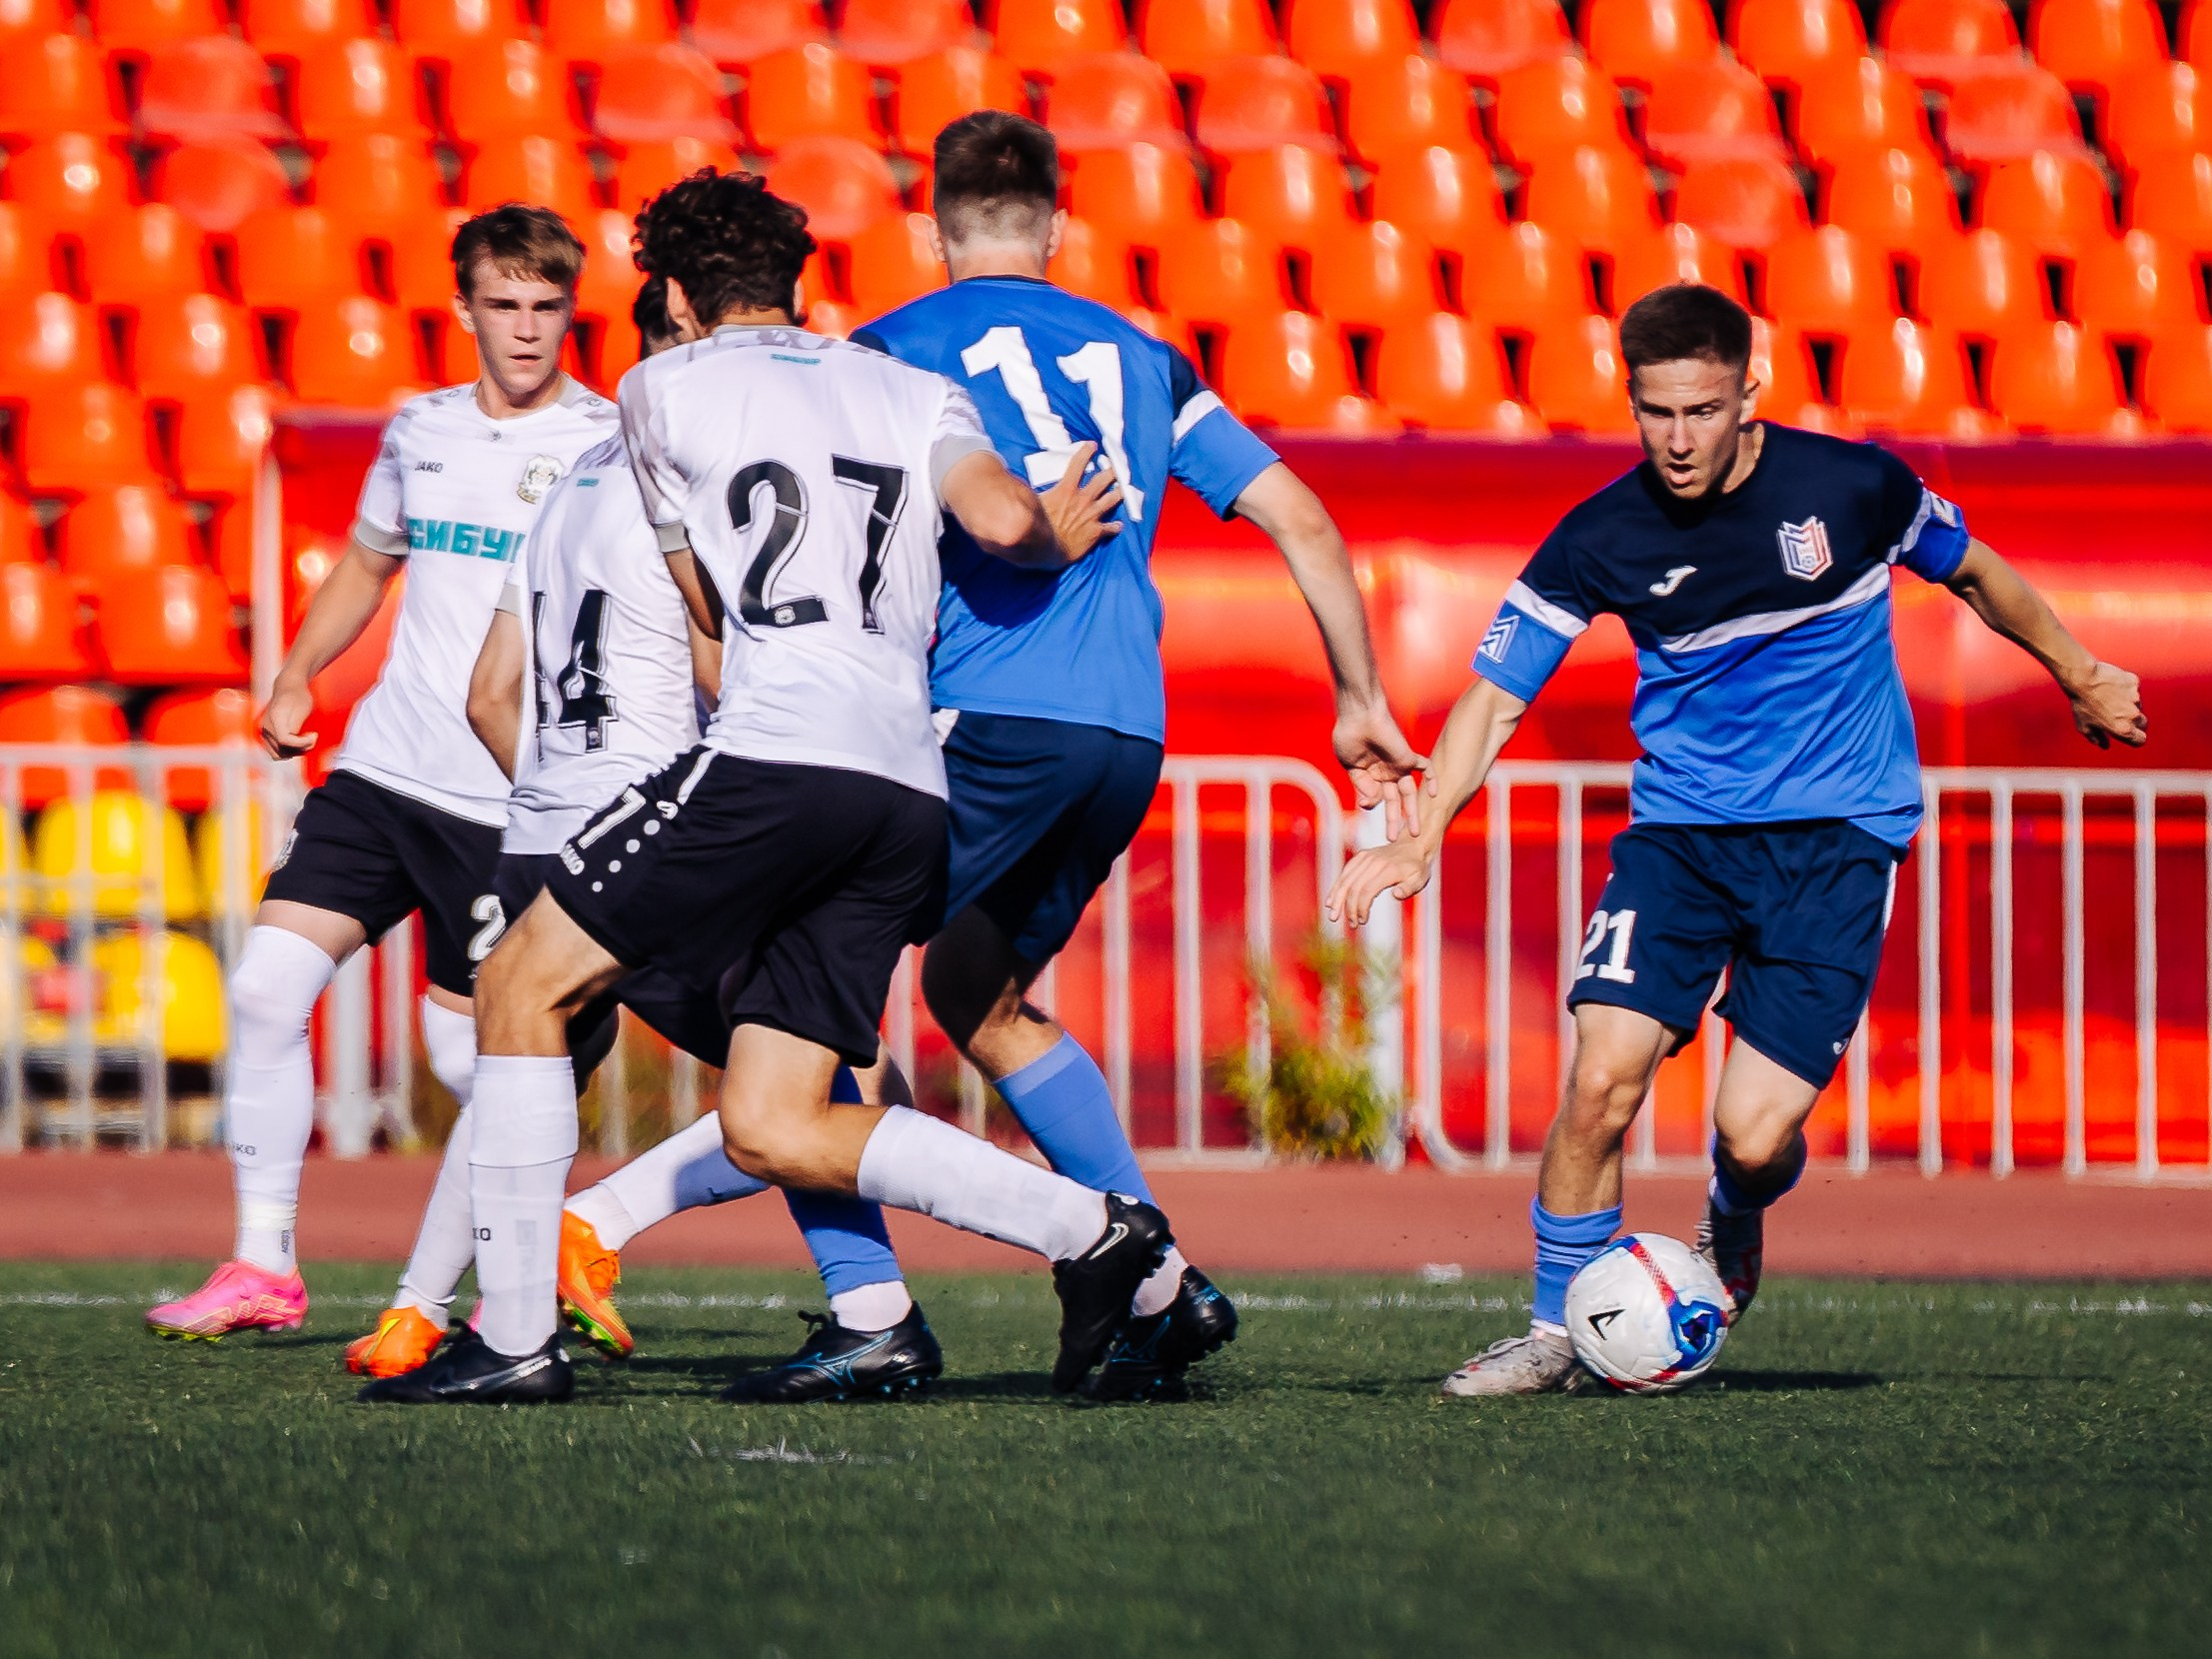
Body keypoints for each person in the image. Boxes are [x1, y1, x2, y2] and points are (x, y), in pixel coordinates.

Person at [567, 110, 1426, 1404]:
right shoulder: (1145, 357)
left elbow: (886, 528)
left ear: (930, 227)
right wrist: (1357, 697)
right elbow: (1298, 515)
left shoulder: (883, 354)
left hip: (972, 723)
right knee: (978, 991)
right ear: (1059, 224)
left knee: (796, 1012)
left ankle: (863, 1297)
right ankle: (1156, 1282)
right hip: (1121, 731)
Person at [362, 169, 1159, 1405]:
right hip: (906, 785)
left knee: (518, 980)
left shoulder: (654, 386)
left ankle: (512, 1337)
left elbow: (705, 609)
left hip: (781, 749)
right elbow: (1005, 522)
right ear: (801, 287)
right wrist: (1056, 528)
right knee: (775, 1119)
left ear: (673, 296)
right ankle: (1101, 1235)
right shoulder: (905, 384)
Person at [1326, 284, 2148, 1396]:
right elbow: (1495, 695)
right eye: (1655, 412)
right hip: (1683, 842)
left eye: (1701, 411)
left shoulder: (1854, 488)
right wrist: (1423, 835)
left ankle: (1733, 1212)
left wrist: (2082, 672)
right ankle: (1554, 1330)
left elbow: (1977, 573)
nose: (1676, 439)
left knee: (1755, 1138)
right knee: (1601, 1079)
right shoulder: (1600, 534)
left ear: (1748, 392)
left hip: (1837, 845)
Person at [148, 206, 617, 1343]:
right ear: (464, 310)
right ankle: (263, 1265)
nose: (523, 329)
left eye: (545, 307)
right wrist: (300, 671)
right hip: (388, 771)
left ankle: (548, 1227)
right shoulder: (421, 430)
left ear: (569, 313)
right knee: (262, 989)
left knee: (475, 1055)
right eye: (502, 305)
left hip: (511, 799)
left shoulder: (608, 443)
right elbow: (370, 561)